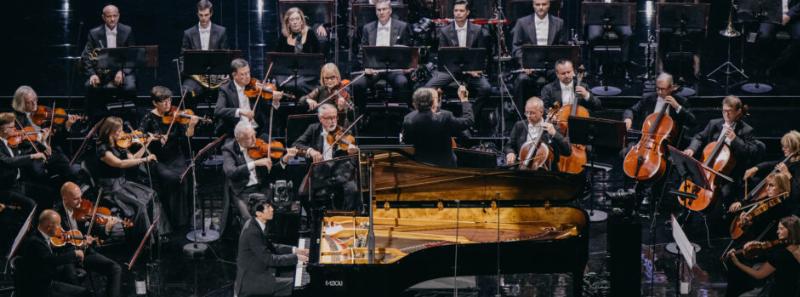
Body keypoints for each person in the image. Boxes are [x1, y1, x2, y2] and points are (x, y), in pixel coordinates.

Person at [683, 96, 764, 213]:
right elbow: (699, 137)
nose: (726, 115)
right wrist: (692, 149)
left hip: (730, 175)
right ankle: (687, 212)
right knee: (690, 182)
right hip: (708, 167)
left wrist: (735, 139)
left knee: (724, 196)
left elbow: (750, 153)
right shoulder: (714, 124)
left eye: (729, 112)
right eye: (723, 111)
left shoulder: (746, 130)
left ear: (738, 112)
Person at [93, 116, 167, 238]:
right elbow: (120, 164)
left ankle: (157, 233)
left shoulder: (120, 145)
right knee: (140, 206)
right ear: (109, 130)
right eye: (118, 130)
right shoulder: (103, 149)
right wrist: (145, 159)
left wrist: (147, 143)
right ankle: (143, 241)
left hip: (122, 183)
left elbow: (133, 159)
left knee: (152, 195)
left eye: (121, 129)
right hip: (111, 188)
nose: (121, 133)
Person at [139, 86, 201, 228]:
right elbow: (140, 136)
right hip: (158, 159)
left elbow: (186, 138)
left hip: (175, 156)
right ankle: (174, 220)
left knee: (187, 176)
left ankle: (187, 217)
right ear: (155, 103)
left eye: (169, 100)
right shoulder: (148, 117)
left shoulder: (176, 115)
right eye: (163, 102)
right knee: (174, 179)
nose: (168, 104)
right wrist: (153, 137)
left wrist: (191, 126)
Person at [424, 0, 492, 127]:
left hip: (471, 71)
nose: (458, 13)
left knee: (486, 88)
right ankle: (433, 120)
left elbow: (482, 55)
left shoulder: (478, 30)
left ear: (467, 13)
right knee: (428, 87)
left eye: (461, 11)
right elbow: (442, 57)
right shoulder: (445, 31)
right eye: (456, 11)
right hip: (450, 71)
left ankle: (469, 118)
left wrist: (476, 69)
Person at [55, 182, 122, 297]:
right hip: (68, 259)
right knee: (79, 291)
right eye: (76, 199)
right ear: (65, 199)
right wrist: (80, 244)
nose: (81, 202)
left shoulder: (80, 209)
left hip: (85, 253)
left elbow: (95, 230)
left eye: (81, 197)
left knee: (115, 269)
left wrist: (106, 228)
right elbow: (58, 245)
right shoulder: (55, 217)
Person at [292, 104, 361, 211]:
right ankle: (314, 218)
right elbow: (296, 144)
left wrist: (352, 154)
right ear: (320, 119)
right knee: (302, 193)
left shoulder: (345, 133)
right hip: (319, 171)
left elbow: (353, 160)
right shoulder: (313, 129)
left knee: (353, 190)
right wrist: (311, 151)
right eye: (329, 118)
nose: (333, 121)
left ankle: (346, 217)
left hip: (340, 171)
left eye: (335, 117)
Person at [234, 199, 309, 297]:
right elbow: (270, 259)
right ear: (259, 213)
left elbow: (272, 246)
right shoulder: (252, 232)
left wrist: (295, 250)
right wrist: (296, 257)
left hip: (258, 271)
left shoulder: (255, 223)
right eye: (268, 207)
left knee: (297, 278)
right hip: (252, 281)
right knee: (301, 284)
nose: (272, 209)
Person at [223, 121, 295, 222]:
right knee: (251, 220)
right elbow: (231, 172)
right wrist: (255, 163)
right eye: (249, 138)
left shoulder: (260, 144)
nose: (254, 140)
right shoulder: (229, 149)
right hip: (243, 191)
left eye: (254, 135)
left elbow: (273, 171)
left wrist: (285, 159)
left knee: (270, 214)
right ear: (238, 138)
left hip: (262, 187)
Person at [11, 86, 81, 189]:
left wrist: (67, 125)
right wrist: (41, 139)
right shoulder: (15, 119)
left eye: (35, 100)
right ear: (21, 104)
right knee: (42, 177)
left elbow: (58, 139)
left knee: (71, 171)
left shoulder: (44, 112)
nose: (35, 104)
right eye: (29, 102)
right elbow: (20, 142)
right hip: (33, 155)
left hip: (52, 153)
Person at [350, 0, 413, 112]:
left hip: (394, 69)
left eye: (384, 9)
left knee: (402, 82)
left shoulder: (402, 27)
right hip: (374, 69)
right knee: (357, 84)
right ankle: (361, 114)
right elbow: (361, 52)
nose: (381, 12)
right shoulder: (367, 28)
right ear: (375, 12)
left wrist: (406, 66)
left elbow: (407, 50)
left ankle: (400, 115)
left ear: (390, 11)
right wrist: (365, 67)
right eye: (379, 10)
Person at [80, 5, 136, 123]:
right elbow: (86, 56)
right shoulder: (94, 33)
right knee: (89, 86)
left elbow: (132, 56)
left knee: (130, 87)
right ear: (103, 17)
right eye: (109, 16)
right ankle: (91, 120)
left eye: (115, 16)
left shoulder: (127, 30)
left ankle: (129, 120)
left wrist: (122, 72)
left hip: (121, 70)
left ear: (119, 16)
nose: (112, 19)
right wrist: (92, 74)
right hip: (101, 71)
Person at [15, 210, 89, 297]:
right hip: (40, 288)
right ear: (49, 227)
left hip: (44, 278)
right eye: (58, 224)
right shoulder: (35, 242)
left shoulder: (40, 235)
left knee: (71, 272)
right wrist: (75, 254)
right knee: (84, 293)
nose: (61, 228)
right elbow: (51, 260)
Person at [726, 215, 800, 297]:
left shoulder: (781, 254)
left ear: (791, 230)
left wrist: (737, 263)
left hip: (780, 292)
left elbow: (758, 275)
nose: (777, 231)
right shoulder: (791, 249)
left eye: (781, 228)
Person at [511, 0, 568, 105]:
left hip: (552, 67)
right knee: (521, 80)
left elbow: (563, 48)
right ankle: (521, 118)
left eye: (544, 4)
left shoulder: (559, 23)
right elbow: (516, 48)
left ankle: (561, 114)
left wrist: (559, 67)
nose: (541, 7)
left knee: (565, 78)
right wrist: (524, 64)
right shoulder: (522, 22)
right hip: (531, 67)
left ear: (549, 5)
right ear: (533, 5)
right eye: (537, 4)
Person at [401, 87, 473, 167]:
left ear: (414, 104)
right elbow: (468, 120)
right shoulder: (445, 116)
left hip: (421, 165)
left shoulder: (408, 118)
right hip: (445, 165)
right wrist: (464, 100)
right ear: (432, 102)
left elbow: (407, 141)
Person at [214, 58, 283, 137]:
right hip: (235, 132)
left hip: (256, 130)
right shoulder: (225, 89)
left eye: (248, 73)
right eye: (243, 74)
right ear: (234, 75)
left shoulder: (256, 88)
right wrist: (240, 111)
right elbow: (218, 110)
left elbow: (267, 111)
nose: (247, 77)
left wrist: (275, 102)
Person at [503, 97, 571, 171]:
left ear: (541, 112)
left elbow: (567, 151)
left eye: (532, 113)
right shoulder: (519, 126)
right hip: (522, 170)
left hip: (546, 174)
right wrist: (510, 153)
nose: (528, 116)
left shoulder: (553, 128)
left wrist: (554, 133)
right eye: (526, 112)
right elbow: (508, 146)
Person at [623, 72, 696, 140]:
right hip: (645, 139)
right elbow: (630, 110)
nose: (659, 92)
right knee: (625, 151)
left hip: (669, 143)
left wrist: (677, 107)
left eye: (663, 89)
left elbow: (692, 121)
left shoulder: (681, 101)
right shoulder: (648, 98)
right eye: (657, 88)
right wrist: (628, 118)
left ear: (671, 87)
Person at [181, 0, 230, 100]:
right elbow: (183, 58)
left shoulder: (221, 31)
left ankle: (219, 115)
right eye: (201, 15)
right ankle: (191, 115)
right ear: (197, 14)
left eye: (206, 15)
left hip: (216, 77)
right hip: (196, 78)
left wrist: (225, 74)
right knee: (186, 91)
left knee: (228, 88)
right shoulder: (188, 34)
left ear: (211, 13)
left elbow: (226, 56)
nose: (204, 18)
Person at [274, 7, 323, 96]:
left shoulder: (310, 33)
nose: (295, 22)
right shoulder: (283, 36)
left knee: (299, 84)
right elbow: (277, 58)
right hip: (288, 74)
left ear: (301, 21)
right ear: (288, 23)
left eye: (297, 19)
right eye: (292, 19)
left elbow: (319, 56)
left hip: (307, 74)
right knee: (278, 82)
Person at [0, 112, 41, 212]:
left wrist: (39, 144)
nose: (16, 130)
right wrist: (32, 156)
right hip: (5, 188)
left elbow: (21, 156)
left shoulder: (11, 142)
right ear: (4, 130)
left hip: (18, 183)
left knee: (47, 192)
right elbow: (9, 161)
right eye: (12, 127)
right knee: (31, 204)